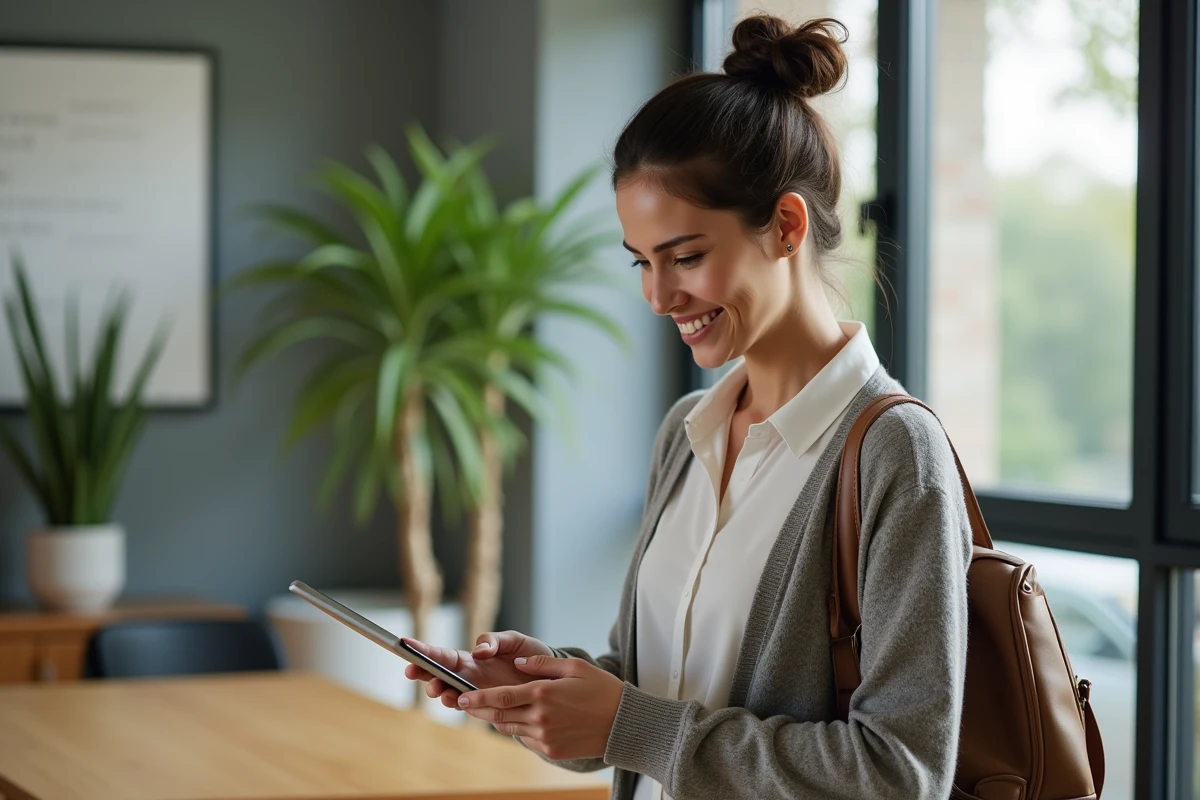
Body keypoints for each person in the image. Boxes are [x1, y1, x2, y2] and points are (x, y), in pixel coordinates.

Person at [404, 14, 973, 800]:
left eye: (687, 257)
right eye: (642, 262)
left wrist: (626, 723)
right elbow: (652, 697)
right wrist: (542, 688)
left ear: (785, 225)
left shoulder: (893, 452)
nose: (659, 296)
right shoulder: (687, 431)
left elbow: (901, 774)